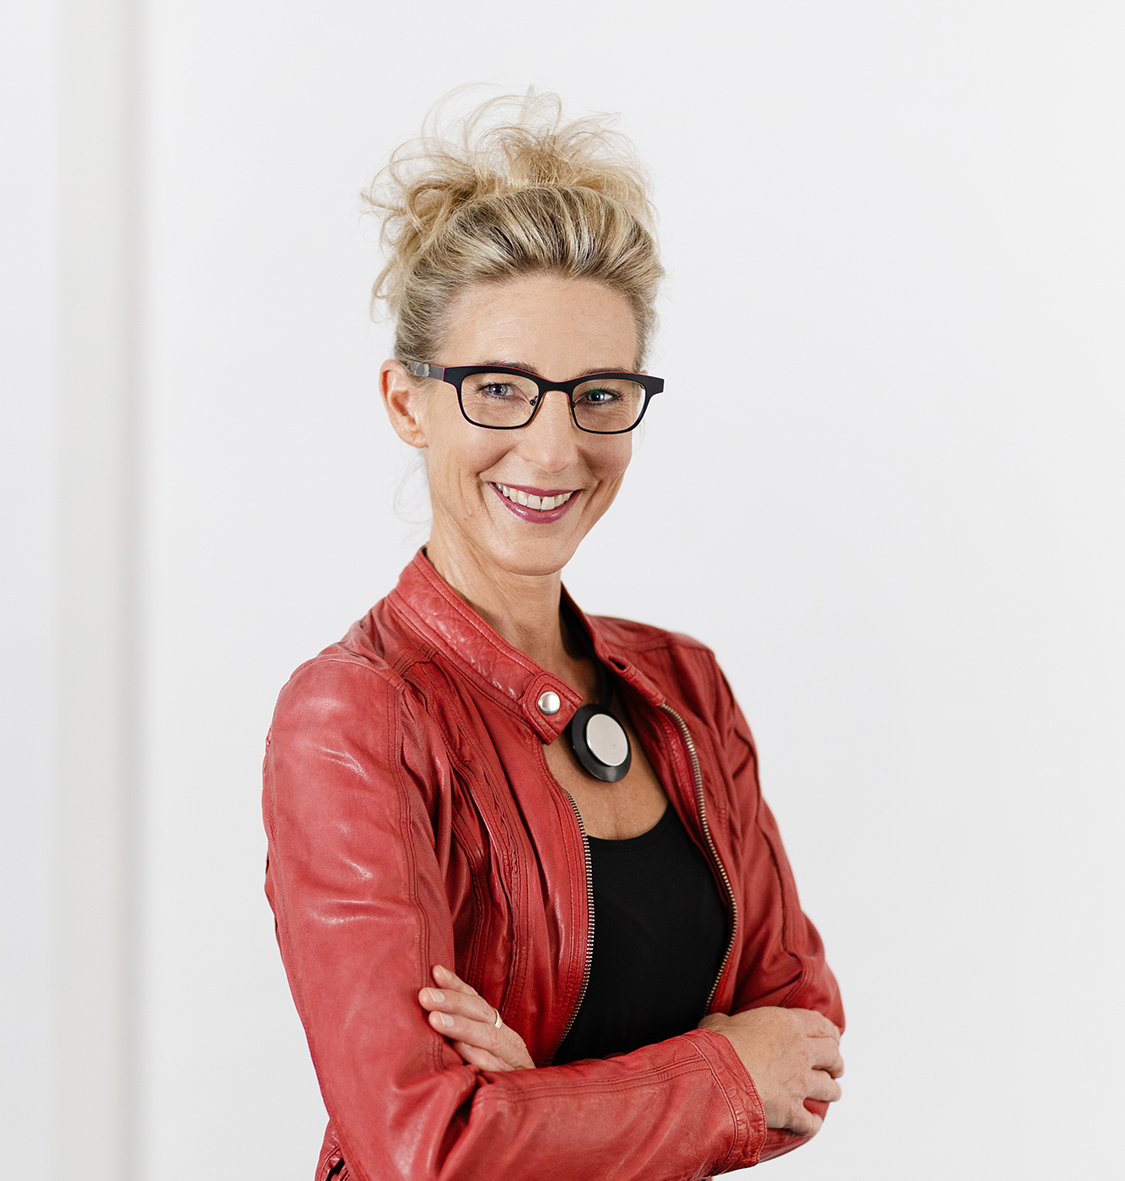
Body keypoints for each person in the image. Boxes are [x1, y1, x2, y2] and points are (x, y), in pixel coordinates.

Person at [263, 92, 845, 1181]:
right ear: (407, 401)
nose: (551, 447)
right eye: (498, 389)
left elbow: (803, 1046)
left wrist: (535, 1101)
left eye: (598, 394)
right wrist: (720, 1069)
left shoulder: (683, 685)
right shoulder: (351, 715)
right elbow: (425, 1146)